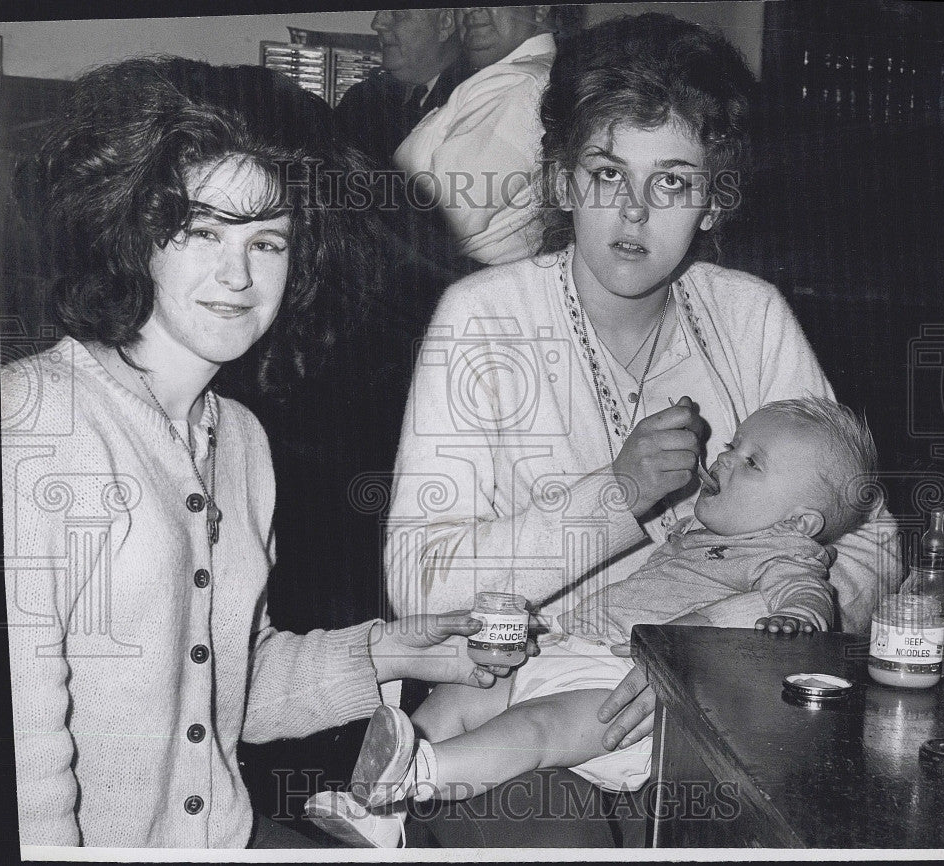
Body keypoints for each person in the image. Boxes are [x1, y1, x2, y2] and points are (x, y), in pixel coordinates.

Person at [384, 12, 901, 846]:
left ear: (712, 201)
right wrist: (614, 496)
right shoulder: (484, 318)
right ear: (558, 181)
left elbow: (866, 540)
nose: (633, 211)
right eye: (605, 172)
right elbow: (419, 584)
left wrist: (710, 660)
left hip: (714, 703)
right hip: (508, 707)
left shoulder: (748, 316)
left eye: (672, 182)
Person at [0, 57, 511, 850]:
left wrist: (386, 649)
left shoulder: (237, 438)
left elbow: (229, 683)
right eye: (200, 230)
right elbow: (25, 752)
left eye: (267, 240)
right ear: (130, 231)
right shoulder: (32, 425)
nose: (238, 273)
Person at [307, 397, 882, 847]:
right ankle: (382, 811)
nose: (726, 458)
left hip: (624, 696)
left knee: (533, 730)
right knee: (461, 695)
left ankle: (417, 775)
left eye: (751, 462)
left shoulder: (785, 556)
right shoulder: (700, 534)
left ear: (800, 523)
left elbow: (811, 605)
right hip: (578, 651)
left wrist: (795, 619)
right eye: (733, 445)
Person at [393, 6, 558, 265]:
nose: (469, 9)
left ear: (540, 9)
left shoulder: (520, 87)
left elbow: (440, 214)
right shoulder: (509, 78)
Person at [333, 9, 472, 169]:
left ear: (445, 23)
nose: (376, 24)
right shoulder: (360, 101)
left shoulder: (477, 105)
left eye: (397, 13)